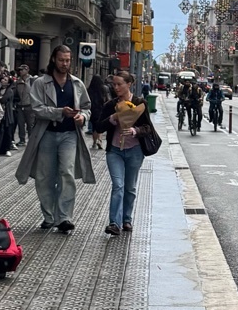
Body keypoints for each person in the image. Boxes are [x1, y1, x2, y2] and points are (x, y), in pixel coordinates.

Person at [15, 43, 93, 232]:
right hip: (46, 134)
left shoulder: (77, 83)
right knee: (45, 177)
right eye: (61, 60)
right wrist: (59, 112)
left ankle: (64, 217)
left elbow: (86, 106)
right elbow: (37, 108)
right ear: (53, 60)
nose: (64, 64)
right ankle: (49, 216)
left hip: (70, 134)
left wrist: (83, 117)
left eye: (67, 60)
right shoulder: (41, 83)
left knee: (67, 172)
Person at [94, 68, 154, 235]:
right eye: (114, 85)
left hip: (135, 151)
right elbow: (99, 126)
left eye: (119, 84)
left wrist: (135, 131)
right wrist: (112, 118)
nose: (116, 88)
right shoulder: (110, 105)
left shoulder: (140, 103)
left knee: (130, 188)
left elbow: (148, 127)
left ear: (129, 84)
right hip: (115, 151)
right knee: (118, 185)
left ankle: (126, 219)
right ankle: (114, 223)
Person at [88, 72, 111, 151]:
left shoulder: (89, 89)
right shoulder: (104, 88)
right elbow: (108, 99)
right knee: (100, 126)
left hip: (92, 110)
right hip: (101, 110)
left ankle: (94, 142)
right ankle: (100, 141)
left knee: (94, 127)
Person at [15, 64, 34, 145]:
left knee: (30, 124)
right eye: (19, 70)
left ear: (27, 70)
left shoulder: (32, 80)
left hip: (29, 105)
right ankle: (22, 140)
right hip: (20, 106)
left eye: (22, 70)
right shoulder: (17, 82)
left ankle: (31, 139)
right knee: (20, 124)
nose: (20, 71)